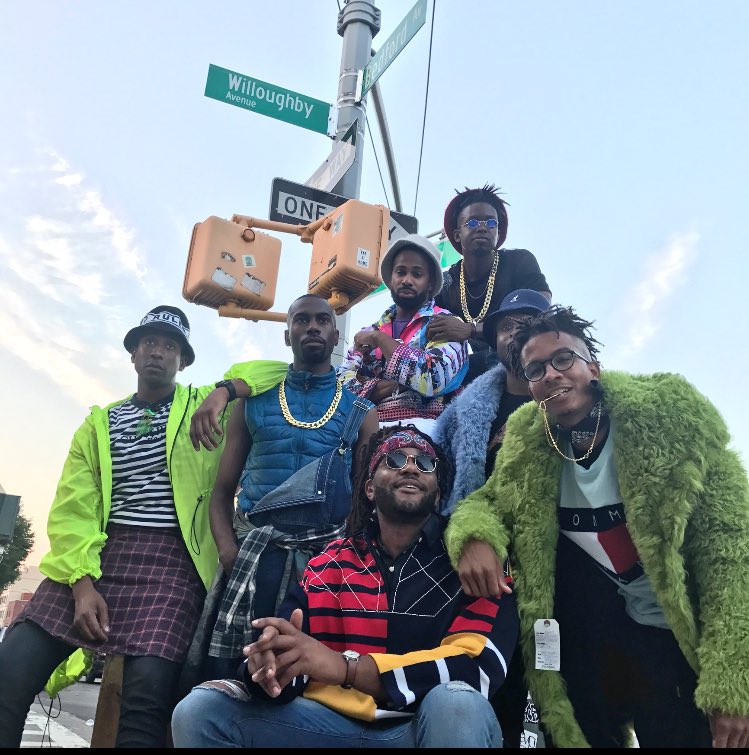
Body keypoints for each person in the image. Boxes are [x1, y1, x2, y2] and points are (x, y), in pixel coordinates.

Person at [445, 305, 749, 749]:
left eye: (563, 359)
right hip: (603, 633)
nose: (551, 374)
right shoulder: (529, 442)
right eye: (535, 369)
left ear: (594, 367)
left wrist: (732, 680)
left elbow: (732, 553)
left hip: (684, 626)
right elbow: (486, 502)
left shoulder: (670, 423)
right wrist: (475, 537)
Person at [0, 305, 287, 748]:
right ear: (133, 353)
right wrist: (81, 584)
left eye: (170, 346)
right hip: (93, 557)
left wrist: (224, 391)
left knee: (147, 700)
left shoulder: (203, 405)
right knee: (10, 670)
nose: (157, 352)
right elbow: (72, 507)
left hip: (171, 565)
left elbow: (278, 371)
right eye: (149, 342)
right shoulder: (98, 425)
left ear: (183, 360)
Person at [171, 425, 520, 748]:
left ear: (439, 492)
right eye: (395, 459)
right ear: (369, 487)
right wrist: (268, 666)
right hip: (326, 726)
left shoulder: (473, 560)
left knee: (456, 703)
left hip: (420, 730)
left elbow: (478, 670)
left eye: (425, 463)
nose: (411, 468)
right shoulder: (329, 562)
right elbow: (291, 659)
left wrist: (347, 669)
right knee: (202, 710)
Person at [198, 294, 379, 681]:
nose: (312, 327)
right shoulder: (252, 403)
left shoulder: (362, 414)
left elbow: (363, 509)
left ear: (335, 337)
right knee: (231, 680)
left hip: (324, 567)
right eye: (301, 320)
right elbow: (222, 492)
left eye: (322, 321)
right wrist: (230, 553)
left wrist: (343, 566)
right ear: (287, 335)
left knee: (308, 682)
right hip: (253, 560)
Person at [432, 287, 550, 748]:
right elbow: (443, 489)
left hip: (560, 571)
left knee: (566, 705)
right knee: (490, 695)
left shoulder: (573, 402)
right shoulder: (463, 412)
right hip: (482, 574)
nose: (516, 334)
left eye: (529, 324)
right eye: (507, 326)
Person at [337, 233, 468, 436]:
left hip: (428, 439)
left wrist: (380, 341)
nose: (407, 280)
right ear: (391, 279)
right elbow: (342, 390)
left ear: (431, 283)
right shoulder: (368, 332)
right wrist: (406, 381)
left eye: (417, 274)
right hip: (368, 436)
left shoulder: (446, 323)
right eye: (400, 272)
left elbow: (431, 379)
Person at [427, 184, 551, 385]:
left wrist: (471, 329)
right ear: (457, 234)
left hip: (528, 356)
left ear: (498, 232)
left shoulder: (519, 261)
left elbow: (540, 313)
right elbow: (424, 326)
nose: (483, 227)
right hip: (482, 367)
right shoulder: (447, 283)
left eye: (491, 222)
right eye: (472, 222)